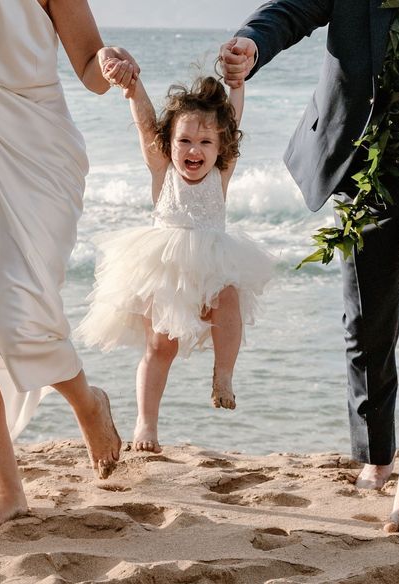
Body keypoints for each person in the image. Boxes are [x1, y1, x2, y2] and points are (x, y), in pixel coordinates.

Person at [219, 0, 399, 533]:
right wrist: (251, 45)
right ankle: (378, 454)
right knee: (365, 324)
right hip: (365, 173)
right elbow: (290, 10)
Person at [0, 0, 140, 533]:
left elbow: (88, 68)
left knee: (21, 317)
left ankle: (87, 401)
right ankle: (10, 490)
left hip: (38, 157)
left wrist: (108, 61)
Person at [77, 62, 274, 453]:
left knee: (229, 299)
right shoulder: (162, 168)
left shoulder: (221, 172)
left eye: (205, 143)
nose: (193, 150)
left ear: (221, 149)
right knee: (159, 348)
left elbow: (232, 120)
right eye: (184, 141)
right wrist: (134, 90)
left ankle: (223, 375)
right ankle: (145, 425)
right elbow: (146, 124)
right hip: (166, 270)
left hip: (212, 265)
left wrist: (238, 85)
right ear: (168, 144)